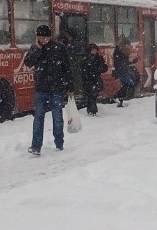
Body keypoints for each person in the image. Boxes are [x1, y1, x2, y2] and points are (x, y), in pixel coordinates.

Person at [25, 24, 73, 156]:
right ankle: (35, 146)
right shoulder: (35, 48)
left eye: (45, 37)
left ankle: (59, 142)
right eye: (40, 37)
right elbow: (28, 63)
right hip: (41, 88)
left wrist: (70, 87)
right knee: (38, 118)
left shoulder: (59, 47)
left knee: (57, 117)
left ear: (50, 36)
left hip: (57, 89)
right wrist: (37, 50)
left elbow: (67, 68)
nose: (43, 40)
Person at [80, 43, 108, 116]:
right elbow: (83, 70)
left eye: (95, 50)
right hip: (88, 79)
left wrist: (98, 69)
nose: (94, 52)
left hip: (95, 79)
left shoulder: (98, 58)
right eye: (93, 50)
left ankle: (92, 111)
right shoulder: (85, 59)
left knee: (93, 95)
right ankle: (92, 111)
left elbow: (105, 68)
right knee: (91, 95)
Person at [112, 37, 139, 107]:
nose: (129, 46)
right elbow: (120, 62)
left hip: (123, 70)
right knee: (130, 83)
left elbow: (125, 62)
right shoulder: (118, 51)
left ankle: (119, 101)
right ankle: (117, 97)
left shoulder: (123, 51)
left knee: (127, 84)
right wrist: (129, 61)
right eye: (128, 44)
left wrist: (133, 61)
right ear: (124, 44)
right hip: (120, 71)